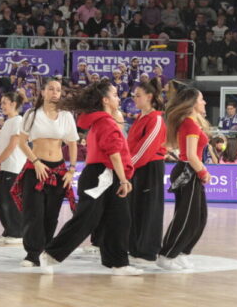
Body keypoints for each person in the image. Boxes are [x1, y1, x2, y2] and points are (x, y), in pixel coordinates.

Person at [37, 80, 141, 276]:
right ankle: (50, 254)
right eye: (115, 94)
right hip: (103, 175)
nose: (119, 98)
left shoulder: (101, 120)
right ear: (105, 100)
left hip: (102, 175)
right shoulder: (106, 122)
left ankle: (118, 263)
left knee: (119, 219)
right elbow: (114, 154)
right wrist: (124, 180)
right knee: (86, 220)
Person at [12, 80, 79, 267]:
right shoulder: (31, 114)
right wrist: (36, 162)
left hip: (58, 170)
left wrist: (72, 170)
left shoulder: (66, 116)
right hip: (35, 169)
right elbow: (22, 142)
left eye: (58, 90)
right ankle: (32, 254)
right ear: (43, 92)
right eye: (51, 89)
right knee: (33, 213)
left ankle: (45, 250)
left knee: (52, 215)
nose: (55, 92)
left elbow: (73, 143)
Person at [157, 87, 211, 271]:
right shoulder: (190, 124)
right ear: (193, 102)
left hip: (190, 171)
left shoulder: (193, 123)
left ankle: (181, 252)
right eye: (202, 99)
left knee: (199, 217)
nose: (204, 102)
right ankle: (167, 254)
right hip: (188, 171)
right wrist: (203, 172)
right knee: (187, 217)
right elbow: (190, 155)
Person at [127, 79, 167, 265]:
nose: (135, 99)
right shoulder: (140, 118)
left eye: (138, 96)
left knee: (150, 209)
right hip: (137, 167)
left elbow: (146, 148)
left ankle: (148, 252)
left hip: (150, 168)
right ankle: (135, 248)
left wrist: (127, 166)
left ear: (149, 97)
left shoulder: (156, 119)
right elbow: (130, 146)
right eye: (134, 95)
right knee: (137, 207)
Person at [0, 92, 26, 244]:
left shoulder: (18, 120)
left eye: (5, 102)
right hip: (5, 165)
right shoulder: (7, 122)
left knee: (10, 200)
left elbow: (13, 144)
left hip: (14, 166)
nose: (2, 105)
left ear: (14, 104)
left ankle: (17, 233)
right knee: (1, 199)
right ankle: (8, 230)